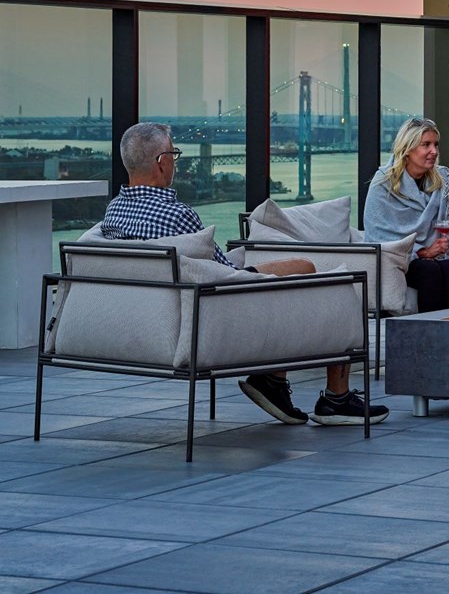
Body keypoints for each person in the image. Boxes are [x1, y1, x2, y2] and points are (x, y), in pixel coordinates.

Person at [102, 122, 389, 427]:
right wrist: (249, 272)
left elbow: (204, 264)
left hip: (160, 313)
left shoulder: (113, 212)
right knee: (321, 278)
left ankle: (275, 383)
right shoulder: (176, 214)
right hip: (217, 306)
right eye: (174, 153)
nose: (175, 159)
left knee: (291, 271)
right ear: (162, 162)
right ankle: (336, 398)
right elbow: (224, 274)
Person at [363, 117, 449, 311]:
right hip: (397, 260)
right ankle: (427, 336)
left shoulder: (442, 183)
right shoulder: (383, 185)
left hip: (435, 258)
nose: (434, 151)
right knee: (428, 270)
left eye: (435, 144)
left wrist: (444, 244)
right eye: (425, 145)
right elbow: (379, 237)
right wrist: (422, 252)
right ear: (407, 149)